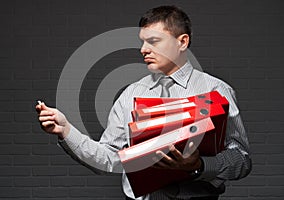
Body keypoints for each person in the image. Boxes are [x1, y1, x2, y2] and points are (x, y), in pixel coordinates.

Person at [36, 5, 251, 200]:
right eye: (142, 41)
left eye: (154, 41)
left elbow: (241, 160)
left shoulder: (216, 91)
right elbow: (109, 160)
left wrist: (200, 165)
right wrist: (65, 131)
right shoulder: (130, 95)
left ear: (182, 41)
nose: (143, 50)